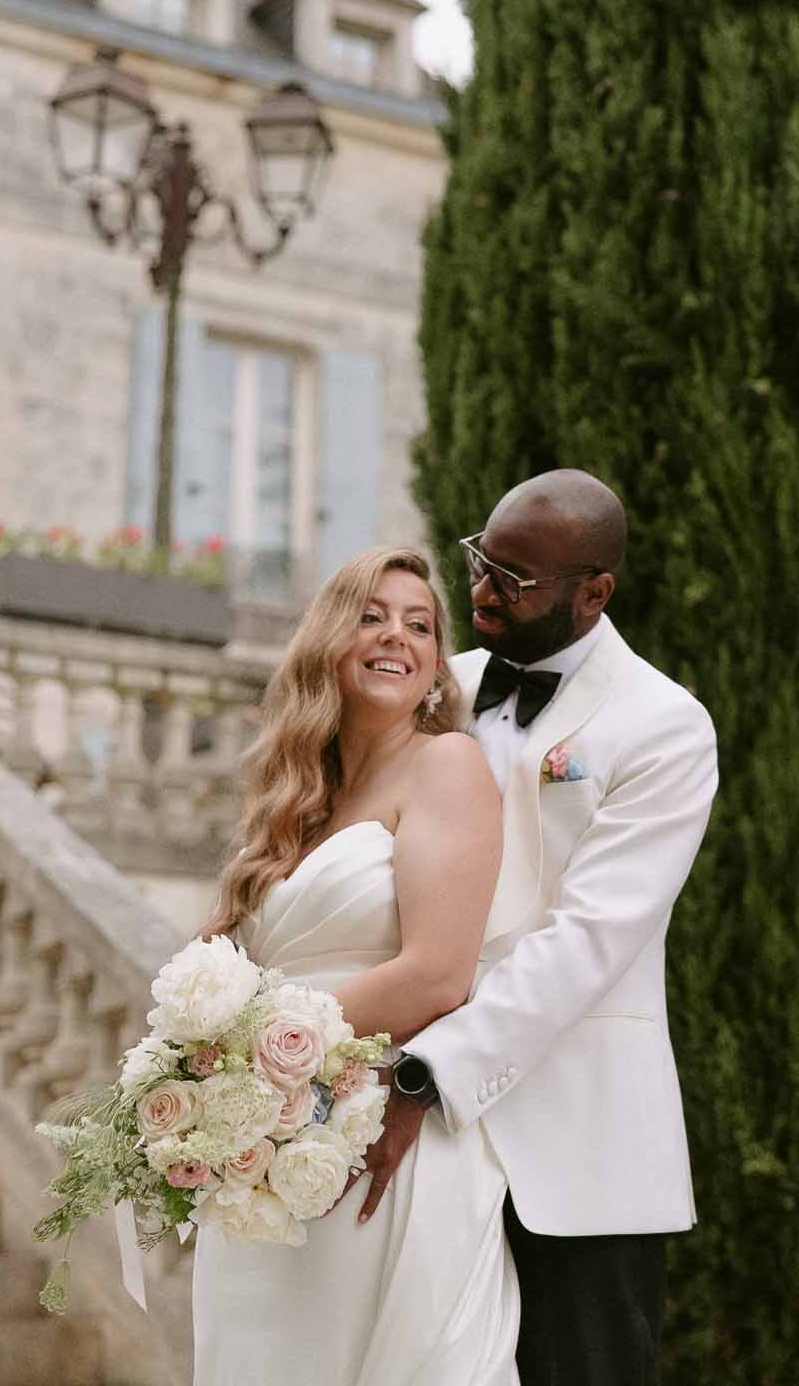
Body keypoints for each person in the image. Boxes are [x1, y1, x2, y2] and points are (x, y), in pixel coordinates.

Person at [360, 470, 718, 1386]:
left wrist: (426, 1073)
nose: (480, 592)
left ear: (593, 593)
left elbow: (590, 941)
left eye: (515, 580)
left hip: (582, 1155)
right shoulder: (440, 689)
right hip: (425, 1151)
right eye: (480, 561)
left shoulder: (665, 726)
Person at [191, 545, 519, 1386]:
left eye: (419, 625)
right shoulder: (293, 798)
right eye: (371, 616)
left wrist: (254, 1054)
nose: (396, 637)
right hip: (265, 1151)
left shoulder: (446, 765)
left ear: (435, 665)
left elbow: (438, 974)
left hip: (376, 1137)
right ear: (328, 641)